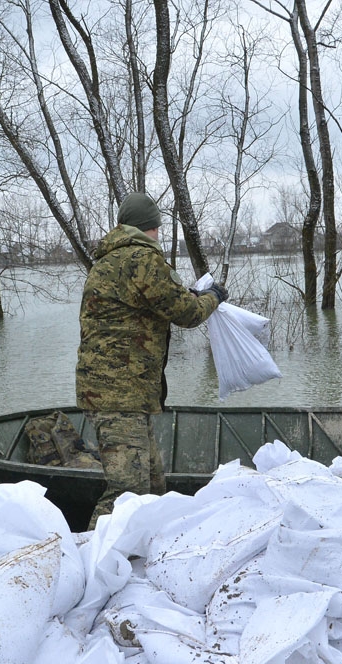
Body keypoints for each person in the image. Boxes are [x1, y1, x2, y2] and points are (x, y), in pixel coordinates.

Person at [76, 191, 227, 529]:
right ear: (152, 227)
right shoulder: (142, 260)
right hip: (118, 395)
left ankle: (146, 556)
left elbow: (144, 304)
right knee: (127, 491)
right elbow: (187, 314)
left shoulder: (107, 262)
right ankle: (87, 560)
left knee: (154, 488)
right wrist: (213, 297)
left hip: (123, 393)